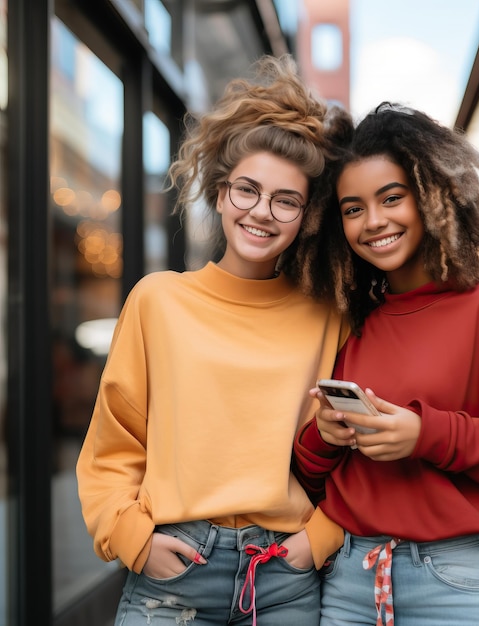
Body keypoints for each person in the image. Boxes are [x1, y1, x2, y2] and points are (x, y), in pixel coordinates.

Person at [76, 55, 349, 626]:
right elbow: (112, 447)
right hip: (172, 571)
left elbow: (351, 450)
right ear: (221, 193)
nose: (263, 213)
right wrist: (133, 537)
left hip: (285, 578)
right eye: (247, 190)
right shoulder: (158, 301)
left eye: (286, 200)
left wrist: (322, 536)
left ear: (305, 216)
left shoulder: (327, 315)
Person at [292, 103, 479, 626]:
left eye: (392, 198)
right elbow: (310, 477)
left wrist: (425, 434)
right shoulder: (350, 320)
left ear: (431, 195)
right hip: (348, 582)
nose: (373, 222)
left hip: (455, 584)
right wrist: (325, 434)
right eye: (352, 208)